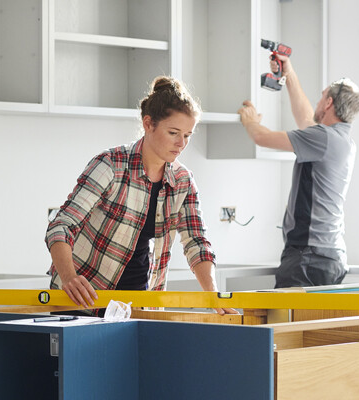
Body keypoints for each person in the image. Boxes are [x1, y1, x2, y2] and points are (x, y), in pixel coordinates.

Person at [46, 76, 237, 315]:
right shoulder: (111, 165)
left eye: (187, 135)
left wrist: (214, 297)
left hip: (137, 306)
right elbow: (61, 226)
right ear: (148, 124)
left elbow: (197, 243)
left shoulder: (182, 181)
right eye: (174, 132)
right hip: (82, 302)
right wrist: (69, 278)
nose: (181, 143)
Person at [238, 55, 359, 288]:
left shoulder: (323, 138)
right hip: (327, 255)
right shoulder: (340, 139)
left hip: (308, 257)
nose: (317, 102)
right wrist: (289, 74)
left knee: (286, 323)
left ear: (328, 104)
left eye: (321, 97)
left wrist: (250, 120)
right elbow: (306, 118)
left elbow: (261, 137)